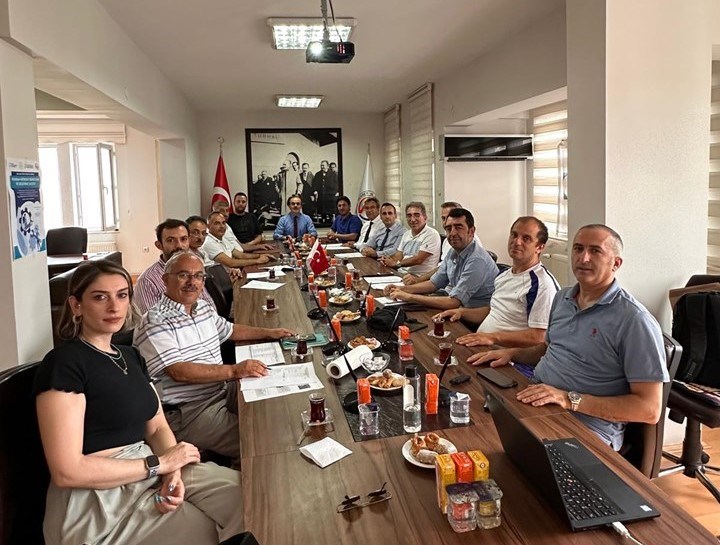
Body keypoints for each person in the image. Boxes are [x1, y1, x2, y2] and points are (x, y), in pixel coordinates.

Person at [34, 260, 243, 545]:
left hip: (148, 468)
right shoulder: (64, 363)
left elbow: (157, 427)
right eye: (100, 297)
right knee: (205, 531)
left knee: (249, 498)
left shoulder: (131, 357)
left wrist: (173, 473)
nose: (114, 307)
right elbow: (67, 471)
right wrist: (160, 464)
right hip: (99, 497)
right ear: (76, 305)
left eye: (122, 295)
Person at [474, 224, 669, 450]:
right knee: (466, 424)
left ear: (616, 263)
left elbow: (649, 409)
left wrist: (568, 399)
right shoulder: (563, 298)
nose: (583, 258)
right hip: (537, 400)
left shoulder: (634, 320)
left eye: (595, 251)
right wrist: (512, 354)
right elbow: (548, 349)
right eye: (578, 249)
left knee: (489, 453)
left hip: (584, 427)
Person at [134, 251, 294, 459]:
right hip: (190, 410)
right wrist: (234, 370)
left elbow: (230, 330)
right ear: (165, 280)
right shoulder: (155, 322)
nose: (192, 282)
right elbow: (178, 371)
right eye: (183, 275)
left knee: (280, 409)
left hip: (221, 390)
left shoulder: (202, 308)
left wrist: (270, 333)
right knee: (263, 441)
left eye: (198, 276)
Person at [436, 216, 560, 349]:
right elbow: (494, 310)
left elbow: (539, 337)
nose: (517, 242)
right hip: (483, 345)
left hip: (507, 356)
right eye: (514, 235)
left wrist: (492, 337)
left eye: (526, 238)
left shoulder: (542, 285)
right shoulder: (505, 274)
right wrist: (461, 312)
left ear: (539, 247)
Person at [383, 208, 497, 310]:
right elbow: (434, 283)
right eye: (448, 228)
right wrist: (402, 289)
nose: (452, 233)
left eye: (458, 227)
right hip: (459, 309)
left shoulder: (477, 260)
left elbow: (453, 302)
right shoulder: (453, 252)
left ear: (471, 231)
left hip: (475, 315)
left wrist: (409, 297)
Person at [134, 219, 216, 314]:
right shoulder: (147, 281)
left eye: (183, 239)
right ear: (159, 245)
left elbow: (211, 308)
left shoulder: (194, 270)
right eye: (171, 240)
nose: (179, 246)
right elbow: (152, 320)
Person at [403, 201, 483, 286]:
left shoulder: (469, 241)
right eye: (443, 218)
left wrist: (419, 280)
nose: (446, 222)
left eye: (450, 217)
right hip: (444, 286)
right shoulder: (448, 241)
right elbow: (443, 269)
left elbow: (442, 270)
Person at [379, 201, 441, 277]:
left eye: (416, 215)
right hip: (401, 274)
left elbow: (418, 259)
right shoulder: (406, 234)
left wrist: (396, 264)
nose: (412, 219)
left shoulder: (431, 234)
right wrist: (387, 260)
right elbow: (399, 255)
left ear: (425, 217)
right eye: (409, 216)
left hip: (419, 278)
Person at [202, 211, 272, 269]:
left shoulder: (223, 239)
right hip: (222, 279)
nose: (222, 226)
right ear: (208, 226)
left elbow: (241, 255)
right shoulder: (209, 242)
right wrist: (257, 261)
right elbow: (231, 263)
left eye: (223, 223)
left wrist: (260, 255)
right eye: (217, 223)